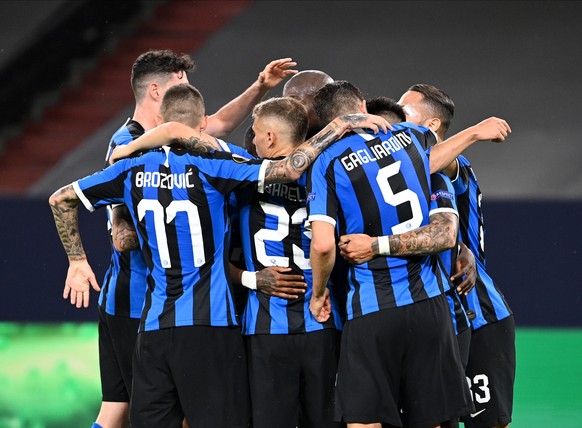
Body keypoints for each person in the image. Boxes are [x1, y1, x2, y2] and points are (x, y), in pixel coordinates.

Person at [49, 82, 390, 427]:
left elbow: (60, 199)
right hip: (213, 325)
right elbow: (289, 169)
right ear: (201, 126)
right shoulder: (217, 166)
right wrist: (340, 125)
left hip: (154, 326)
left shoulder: (128, 170)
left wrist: (77, 261)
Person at [84, 49, 298, 428]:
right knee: (141, 409)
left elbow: (208, 126)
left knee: (120, 407)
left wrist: (259, 87)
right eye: (181, 86)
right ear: (155, 92)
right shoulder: (126, 145)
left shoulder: (156, 145)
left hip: (153, 304)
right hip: (141, 298)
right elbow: (122, 236)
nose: (190, 92)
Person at [306, 80, 510, 428]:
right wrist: (476, 132)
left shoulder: (443, 169)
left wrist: (327, 286)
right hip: (433, 304)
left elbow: (445, 234)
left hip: (468, 307)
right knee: (432, 417)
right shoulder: (411, 147)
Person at [398, 84, 515, 428]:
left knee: (486, 422)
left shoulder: (451, 165)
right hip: (434, 315)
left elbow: (435, 163)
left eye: (405, 112)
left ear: (432, 126)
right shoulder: (396, 171)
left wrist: (476, 132)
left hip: (478, 312)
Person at [229, 97, 343, 428]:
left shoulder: (241, 178)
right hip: (320, 319)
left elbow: (208, 258)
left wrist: (251, 279)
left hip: (266, 325)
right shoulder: (328, 175)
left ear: (269, 138)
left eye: (255, 131)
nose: (252, 137)